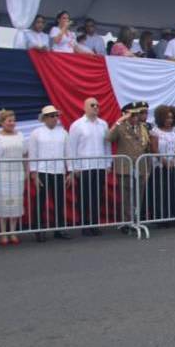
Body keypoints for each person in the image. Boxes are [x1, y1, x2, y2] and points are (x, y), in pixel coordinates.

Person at [29, 105, 73, 242]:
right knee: (40, 202)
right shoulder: (36, 133)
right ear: (45, 118)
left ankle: (59, 228)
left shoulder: (63, 133)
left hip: (59, 171)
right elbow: (33, 153)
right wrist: (34, 173)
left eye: (56, 115)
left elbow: (68, 153)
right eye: (52, 116)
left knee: (59, 201)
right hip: (42, 171)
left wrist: (70, 171)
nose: (55, 118)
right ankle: (39, 229)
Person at [69, 97, 111, 236]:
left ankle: (94, 223)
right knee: (84, 196)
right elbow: (72, 148)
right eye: (92, 105)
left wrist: (108, 163)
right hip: (84, 167)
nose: (95, 107)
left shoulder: (103, 124)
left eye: (97, 105)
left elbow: (107, 145)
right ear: (85, 107)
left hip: (99, 166)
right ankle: (85, 223)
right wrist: (73, 167)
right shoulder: (77, 125)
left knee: (97, 196)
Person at [106, 103, 150, 233]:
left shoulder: (143, 128)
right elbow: (108, 138)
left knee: (139, 196)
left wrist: (148, 168)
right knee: (126, 196)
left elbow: (146, 149)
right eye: (132, 114)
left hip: (140, 167)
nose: (135, 117)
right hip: (125, 168)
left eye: (137, 114)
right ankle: (127, 222)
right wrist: (119, 121)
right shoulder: (121, 128)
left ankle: (136, 221)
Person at [0, 109, 27, 246]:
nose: (12, 123)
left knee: (16, 202)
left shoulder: (21, 135)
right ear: (2, 122)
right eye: (9, 120)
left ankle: (13, 232)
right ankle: (3, 234)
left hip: (17, 173)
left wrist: (26, 171)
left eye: (13, 120)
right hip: (1, 174)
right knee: (3, 203)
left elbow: (25, 155)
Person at [149, 105, 175, 227]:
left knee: (171, 192)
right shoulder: (156, 131)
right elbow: (154, 148)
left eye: (171, 117)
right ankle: (160, 218)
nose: (170, 120)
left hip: (172, 166)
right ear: (161, 118)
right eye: (167, 118)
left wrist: (174, 159)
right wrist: (163, 161)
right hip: (159, 167)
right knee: (160, 192)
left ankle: (171, 217)